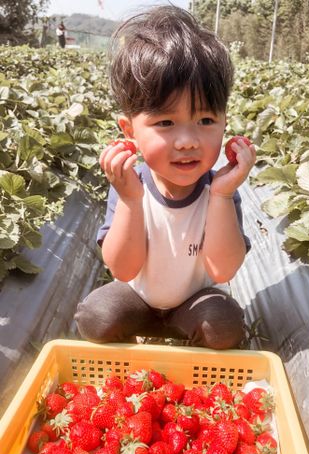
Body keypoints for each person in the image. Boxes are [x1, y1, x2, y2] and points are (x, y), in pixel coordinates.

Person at [75, 6, 256, 350]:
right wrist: (129, 200)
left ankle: (187, 338)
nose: (187, 140)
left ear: (224, 122)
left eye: (205, 121)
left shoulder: (220, 190)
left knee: (224, 325)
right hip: (138, 297)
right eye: (165, 123)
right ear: (130, 131)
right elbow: (124, 271)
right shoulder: (131, 185)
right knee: (96, 316)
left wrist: (220, 196)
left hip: (194, 303)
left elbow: (222, 271)